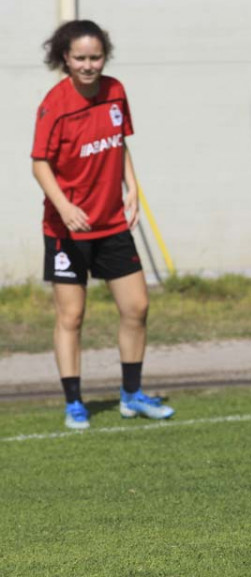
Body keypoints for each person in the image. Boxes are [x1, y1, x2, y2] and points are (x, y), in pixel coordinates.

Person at [32, 20, 174, 429]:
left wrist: (132, 188)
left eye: (96, 57)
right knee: (71, 316)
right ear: (65, 58)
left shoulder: (115, 92)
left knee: (137, 307)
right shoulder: (54, 105)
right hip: (67, 230)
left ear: (104, 56)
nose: (89, 65)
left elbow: (119, 141)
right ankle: (74, 402)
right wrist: (63, 206)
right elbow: (40, 163)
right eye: (80, 58)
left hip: (112, 224)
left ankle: (131, 395)